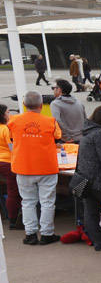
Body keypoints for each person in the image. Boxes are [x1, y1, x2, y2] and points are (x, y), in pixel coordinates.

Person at [9, 90, 62, 245]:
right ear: (41, 105)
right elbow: (58, 138)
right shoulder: (50, 121)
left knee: (27, 201)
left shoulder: (13, 121)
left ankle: (30, 233)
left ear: (24, 105)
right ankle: (47, 233)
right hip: (47, 167)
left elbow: (11, 137)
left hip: (23, 166)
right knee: (47, 202)